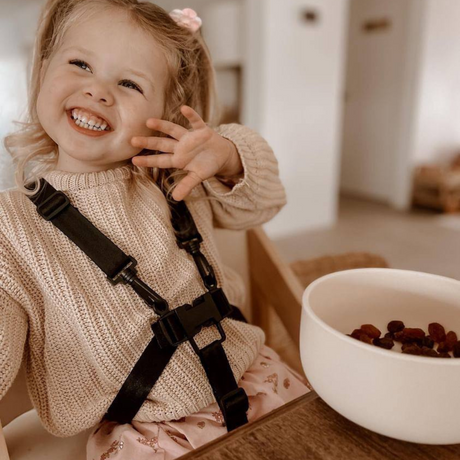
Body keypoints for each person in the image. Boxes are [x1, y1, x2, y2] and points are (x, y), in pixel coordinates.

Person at [1, 0, 310, 458]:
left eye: (129, 83)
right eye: (80, 63)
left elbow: (263, 204)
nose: (99, 92)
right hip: (149, 434)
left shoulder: (174, 172)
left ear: (167, 108)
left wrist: (225, 155)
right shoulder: (13, 225)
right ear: (42, 68)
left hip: (261, 382)